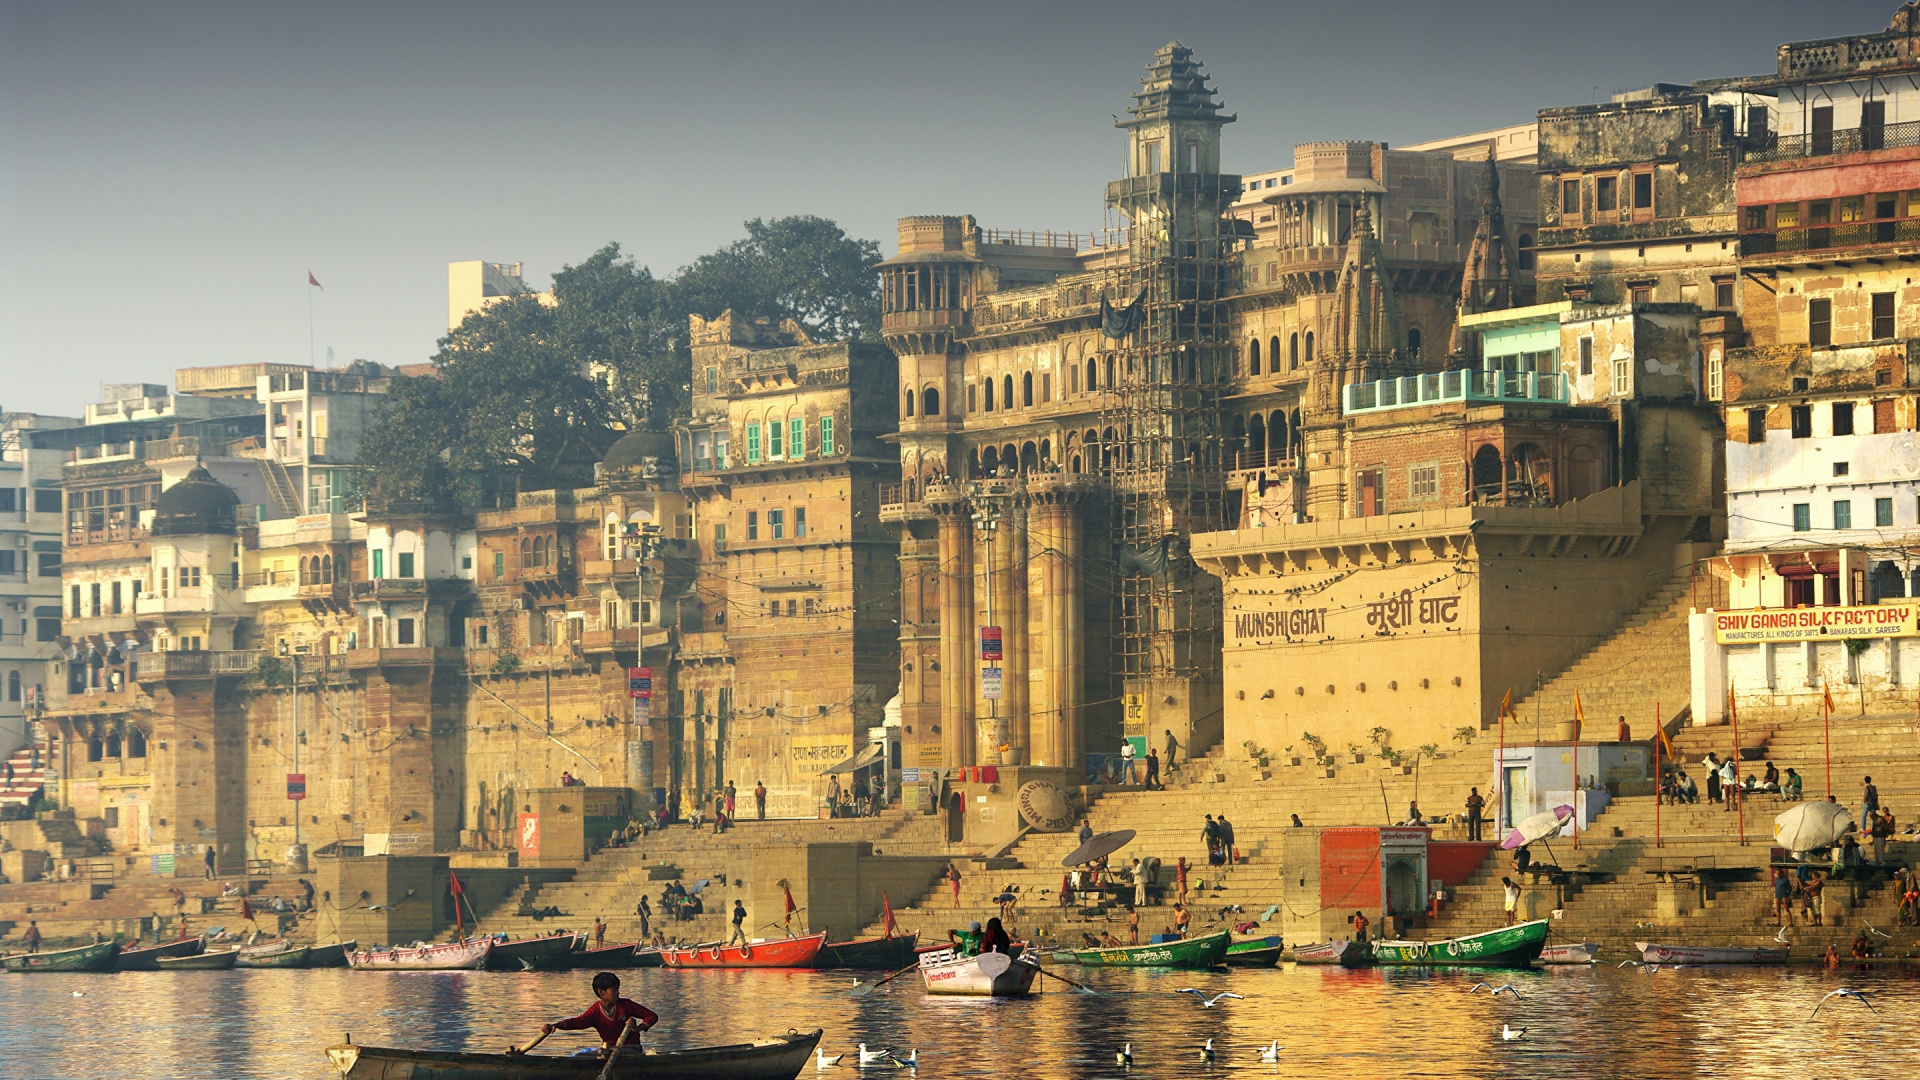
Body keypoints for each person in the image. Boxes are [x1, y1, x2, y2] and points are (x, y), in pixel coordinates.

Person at [538, 972, 657, 1053]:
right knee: (581, 1057)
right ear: (601, 992)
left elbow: (651, 1016)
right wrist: (556, 1025)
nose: (617, 993)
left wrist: (639, 1028)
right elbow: (579, 1021)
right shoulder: (595, 1011)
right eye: (614, 990)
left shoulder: (626, 1005)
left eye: (617, 990)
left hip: (631, 1049)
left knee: (609, 1055)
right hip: (609, 1050)